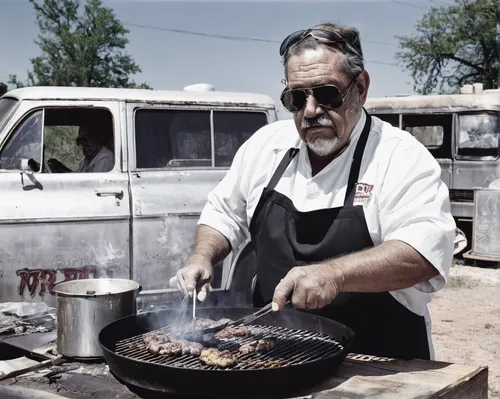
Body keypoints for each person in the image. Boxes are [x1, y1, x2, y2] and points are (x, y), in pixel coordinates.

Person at [175, 23, 456, 361]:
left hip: (379, 361)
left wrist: (333, 274)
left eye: (327, 94)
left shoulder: (400, 156)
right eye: (296, 98)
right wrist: (202, 256)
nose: (309, 111)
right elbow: (224, 213)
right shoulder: (266, 147)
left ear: (361, 88)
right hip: (271, 358)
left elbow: (423, 253)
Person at [48, 122, 114, 173]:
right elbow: (78, 175)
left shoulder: (104, 157)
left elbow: (95, 183)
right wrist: (60, 167)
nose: (84, 143)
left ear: (98, 137)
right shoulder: (89, 158)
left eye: (88, 138)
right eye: (81, 140)